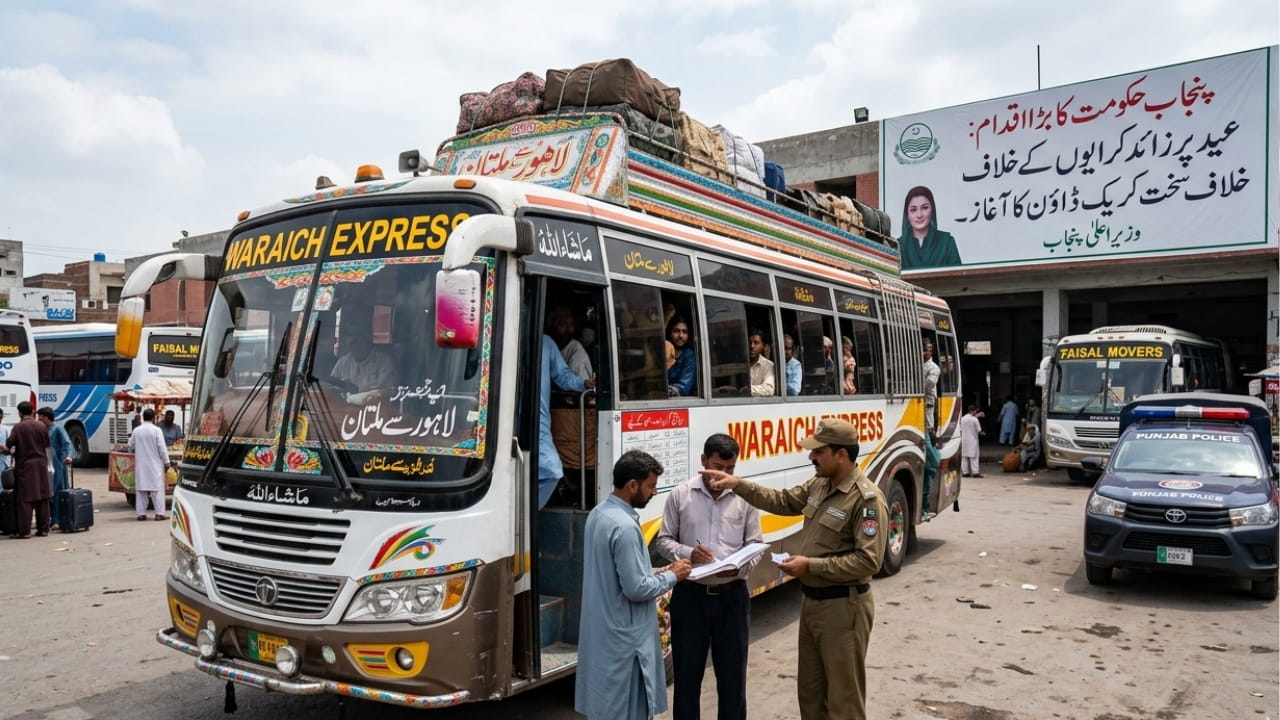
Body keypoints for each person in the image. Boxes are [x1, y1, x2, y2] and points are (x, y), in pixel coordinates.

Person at [703, 419, 888, 720]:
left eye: (818, 451)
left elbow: (869, 561)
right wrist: (738, 485)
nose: (811, 457)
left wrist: (809, 565)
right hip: (812, 603)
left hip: (844, 607)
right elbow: (783, 500)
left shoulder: (866, 499)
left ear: (841, 454)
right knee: (811, 697)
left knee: (844, 701)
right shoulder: (819, 484)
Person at [575, 450, 693, 720]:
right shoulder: (626, 527)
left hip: (604, 637)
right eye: (650, 486)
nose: (653, 493)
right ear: (632, 485)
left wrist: (658, 569)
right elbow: (637, 589)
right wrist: (673, 575)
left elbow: (616, 573)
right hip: (625, 643)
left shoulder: (599, 514)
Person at [653, 434, 763, 720]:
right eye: (717, 467)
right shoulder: (681, 494)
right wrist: (690, 553)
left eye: (730, 469)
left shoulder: (744, 497)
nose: (723, 475)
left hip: (732, 598)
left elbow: (756, 545)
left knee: (733, 682)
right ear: (703, 462)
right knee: (687, 682)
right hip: (691, 598)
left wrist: (739, 568)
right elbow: (663, 541)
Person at [538, 334, 595, 509]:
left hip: (538, 419)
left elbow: (562, 376)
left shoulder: (546, 342)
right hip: (498, 417)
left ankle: (524, 515)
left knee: (551, 470)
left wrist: (585, 384)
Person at [6, 401, 51, 538]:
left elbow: (10, 444)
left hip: (25, 467)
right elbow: (47, 445)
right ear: (32, 412)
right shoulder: (41, 426)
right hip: (41, 465)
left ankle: (25, 531)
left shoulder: (18, 427)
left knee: (25, 499)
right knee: (42, 498)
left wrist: (9, 450)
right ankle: (43, 529)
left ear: (20, 413)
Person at [899, 185, 961, 269]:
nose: (919, 215)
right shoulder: (897, 246)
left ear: (932, 210)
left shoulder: (947, 242)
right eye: (913, 210)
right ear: (907, 215)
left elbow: (958, 278)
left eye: (925, 208)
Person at [331, 321, 395, 398]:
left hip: (374, 409)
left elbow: (386, 395)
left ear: (368, 337)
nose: (353, 340)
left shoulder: (385, 363)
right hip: (341, 409)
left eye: (358, 335)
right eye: (350, 335)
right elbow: (332, 388)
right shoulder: (343, 363)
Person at [128, 408, 170, 521]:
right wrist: (166, 461)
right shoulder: (156, 430)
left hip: (141, 465)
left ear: (143, 417)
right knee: (157, 490)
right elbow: (162, 448)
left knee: (141, 489)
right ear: (153, 418)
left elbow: (130, 445)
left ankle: (141, 514)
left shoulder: (137, 430)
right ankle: (159, 514)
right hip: (154, 464)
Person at [36, 408, 73, 531]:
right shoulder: (43, 429)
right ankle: (51, 519)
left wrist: (67, 456)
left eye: (40, 417)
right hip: (46, 464)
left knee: (57, 492)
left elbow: (66, 443)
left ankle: (57, 520)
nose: (38, 420)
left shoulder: (57, 428)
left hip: (57, 464)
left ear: (46, 418)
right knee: (48, 493)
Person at [921, 342, 941, 520]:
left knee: (931, 463)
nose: (924, 352)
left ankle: (925, 508)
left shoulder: (933, 368)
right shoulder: (917, 364)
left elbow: (928, 385)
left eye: (927, 350)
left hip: (926, 406)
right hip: (919, 411)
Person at [549, 304, 593, 380]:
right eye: (562, 323)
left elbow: (579, 388)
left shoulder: (576, 351)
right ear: (550, 324)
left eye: (571, 324)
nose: (568, 329)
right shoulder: (548, 346)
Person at [667, 315, 696, 397]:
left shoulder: (688, 355)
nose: (680, 335)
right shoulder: (664, 352)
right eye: (676, 331)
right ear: (669, 332)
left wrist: (670, 390)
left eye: (684, 332)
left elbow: (683, 386)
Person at [748, 329, 775, 397]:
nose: (752, 346)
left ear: (762, 345)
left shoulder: (768, 365)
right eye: (749, 342)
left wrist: (747, 390)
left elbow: (768, 389)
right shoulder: (740, 363)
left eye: (756, 343)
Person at [959, 405, 985, 478]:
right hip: (973, 440)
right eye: (975, 411)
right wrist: (983, 433)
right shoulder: (975, 420)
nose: (976, 412)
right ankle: (975, 472)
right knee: (974, 457)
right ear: (973, 411)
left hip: (964, 440)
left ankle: (965, 473)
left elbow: (960, 430)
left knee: (964, 457)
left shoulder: (962, 419)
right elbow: (979, 430)